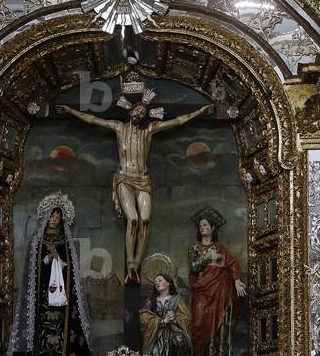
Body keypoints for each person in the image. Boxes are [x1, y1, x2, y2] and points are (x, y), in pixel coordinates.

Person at [58, 94, 212, 281]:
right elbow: (92, 119)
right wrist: (70, 110)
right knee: (133, 220)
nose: (139, 113)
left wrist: (199, 112)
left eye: (143, 112)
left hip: (143, 180)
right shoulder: (119, 127)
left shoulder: (148, 130)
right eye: (137, 110)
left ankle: (136, 267)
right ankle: (130, 262)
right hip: (125, 179)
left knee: (144, 221)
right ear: (130, 111)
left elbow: (178, 121)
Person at [9, 193, 93, 356]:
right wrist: (47, 259)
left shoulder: (66, 242)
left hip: (61, 294)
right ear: (46, 217)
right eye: (52, 216)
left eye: (58, 216)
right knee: (42, 323)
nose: (55, 219)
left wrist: (59, 262)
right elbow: (32, 269)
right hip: (42, 294)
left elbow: (71, 269)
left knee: (61, 324)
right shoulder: (37, 241)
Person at [188, 208, 246, 356]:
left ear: (213, 228)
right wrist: (206, 257)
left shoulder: (220, 248)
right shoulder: (194, 248)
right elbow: (194, 267)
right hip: (201, 292)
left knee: (219, 323)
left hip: (220, 292)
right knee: (200, 322)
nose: (202, 227)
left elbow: (232, 263)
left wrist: (236, 280)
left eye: (205, 225)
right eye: (200, 225)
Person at [140, 273, 192, 356]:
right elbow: (144, 316)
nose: (157, 283)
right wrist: (162, 321)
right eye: (155, 282)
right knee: (154, 354)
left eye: (160, 280)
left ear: (168, 283)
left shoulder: (176, 300)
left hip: (173, 330)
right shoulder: (152, 301)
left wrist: (174, 318)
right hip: (156, 333)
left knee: (179, 340)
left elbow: (187, 317)